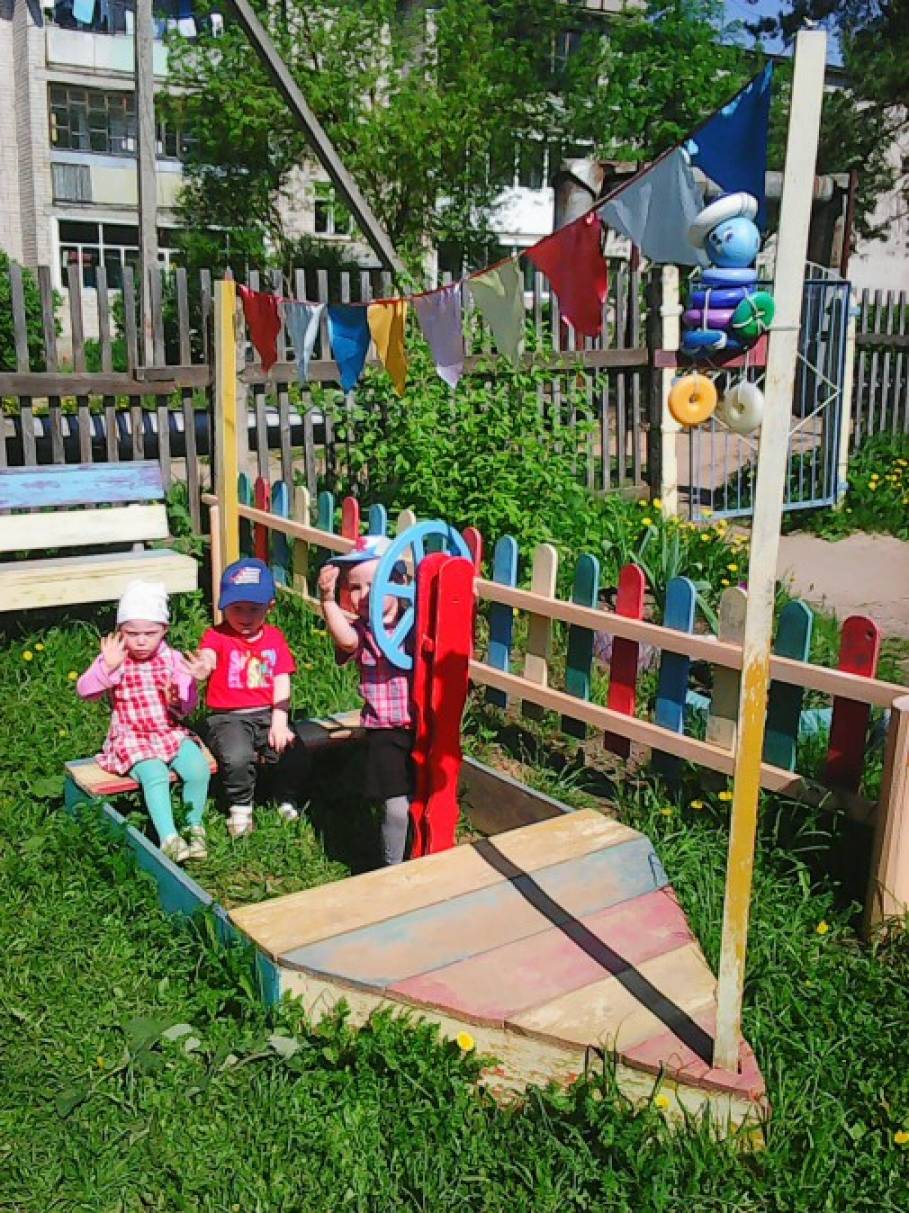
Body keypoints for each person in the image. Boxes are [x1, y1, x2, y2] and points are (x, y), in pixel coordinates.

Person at [76, 580, 211, 865]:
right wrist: (106, 667)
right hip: (131, 737)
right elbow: (85, 691)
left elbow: (186, 708)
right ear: (120, 631)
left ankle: (194, 826)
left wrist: (188, 689)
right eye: (131, 633)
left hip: (167, 731)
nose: (140, 641)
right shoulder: (116, 659)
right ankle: (169, 838)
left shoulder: (173, 659)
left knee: (197, 768)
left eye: (150, 633)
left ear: (164, 630)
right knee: (154, 773)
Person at [190, 558, 306, 838]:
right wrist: (203, 667)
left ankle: (285, 797)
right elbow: (208, 655)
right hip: (227, 717)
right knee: (238, 756)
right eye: (236, 608)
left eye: (254, 609)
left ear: (269, 607)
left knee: (293, 751)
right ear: (224, 607)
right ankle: (241, 806)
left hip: (267, 713)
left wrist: (280, 720)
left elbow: (282, 678)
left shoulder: (274, 638)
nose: (245, 616)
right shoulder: (217, 635)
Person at [317, 536, 412, 866]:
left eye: (374, 584)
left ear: (399, 583)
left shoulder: (418, 624)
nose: (363, 595)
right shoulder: (363, 631)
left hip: (423, 728)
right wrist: (328, 601)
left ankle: (421, 852)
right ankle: (392, 868)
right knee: (396, 808)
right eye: (355, 587)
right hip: (385, 731)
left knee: (421, 798)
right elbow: (346, 642)